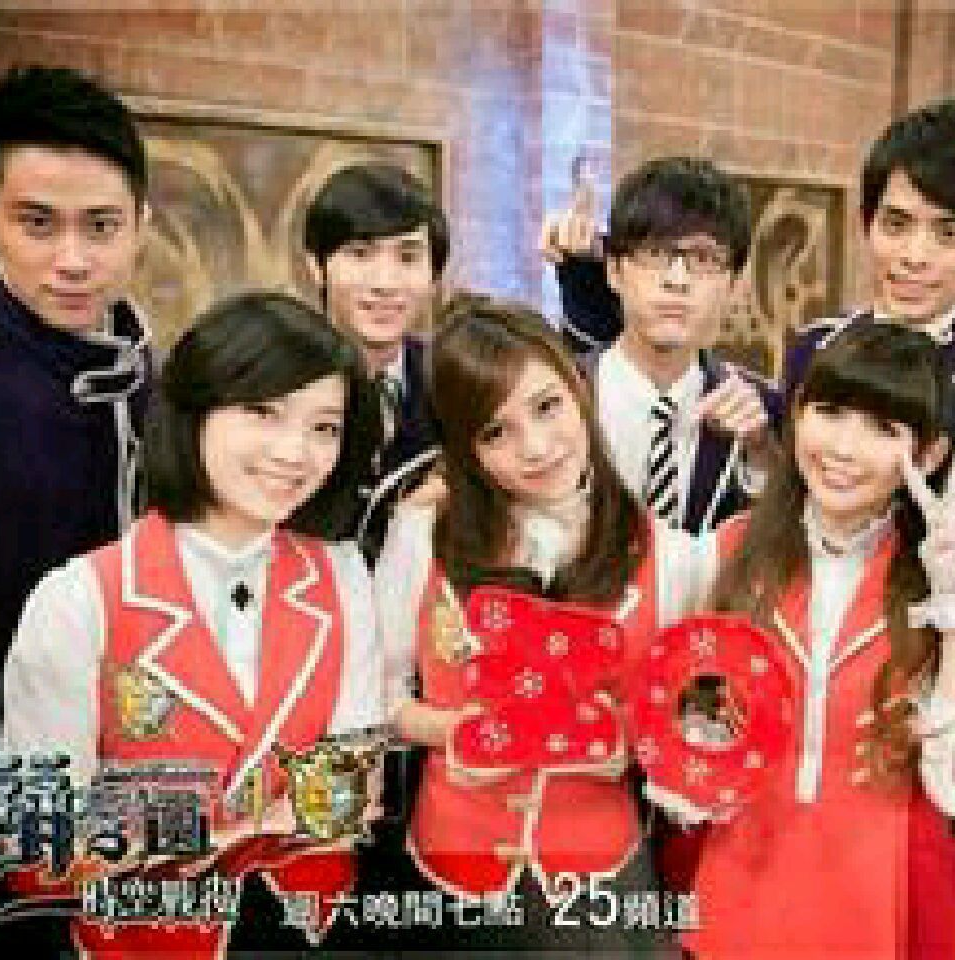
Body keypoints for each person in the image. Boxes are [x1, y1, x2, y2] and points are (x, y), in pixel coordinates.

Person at [1, 291, 384, 956]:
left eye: (324, 427)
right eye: (263, 412)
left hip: (306, 933)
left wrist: (157, 828)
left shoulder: (343, 575)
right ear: (195, 410)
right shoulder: (78, 599)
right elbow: (37, 840)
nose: (295, 451)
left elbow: (352, 793)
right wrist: (251, 825)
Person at [367, 294, 733, 954]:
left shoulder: (672, 555)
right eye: (495, 433)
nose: (536, 448)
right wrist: (454, 731)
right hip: (452, 873)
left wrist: (633, 741)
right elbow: (380, 697)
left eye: (547, 407)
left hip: (600, 883)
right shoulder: (422, 534)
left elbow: (694, 715)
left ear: (579, 389)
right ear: (466, 449)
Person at [677, 323, 955, 958]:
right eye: (828, 412)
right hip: (738, 886)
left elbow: (949, 787)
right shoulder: (726, 552)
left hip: (878, 899)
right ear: (796, 413)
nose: (844, 449)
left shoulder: (935, 585)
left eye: (883, 428)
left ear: (930, 455)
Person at [0, 65, 153, 737]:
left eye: (101, 226)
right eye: (37, 224)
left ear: (141, 225)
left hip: (129, 736)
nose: (73, 260)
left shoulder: (147, 368)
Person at [592, 158, 781, 533]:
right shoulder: (565, 391)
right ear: (614, 270)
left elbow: (781, 541)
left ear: (735, 283)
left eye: (703, 259)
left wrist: (760, 454)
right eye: (655, 253)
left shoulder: (765, 411)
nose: (677, 280)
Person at [303, 161, 448, 561]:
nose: (385, 283)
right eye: (360, 254)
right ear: (317, 267)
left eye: (408, 257)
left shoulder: (451, 381)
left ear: (434, 277)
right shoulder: (275, 381)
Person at [784, 99, 955, 427]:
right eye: (896, 224)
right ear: (867, 224)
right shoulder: (816, 346)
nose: (914, 257)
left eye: (948, 233)